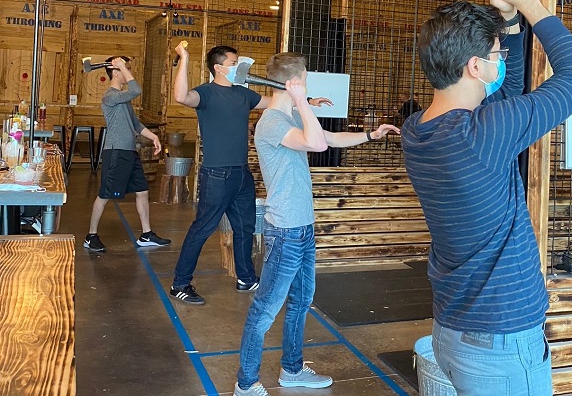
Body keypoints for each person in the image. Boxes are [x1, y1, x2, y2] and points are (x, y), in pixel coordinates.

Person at [401, 0, 572, 395]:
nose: (501, 62)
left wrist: (508, 21)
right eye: (496, 56)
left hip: (454, 330)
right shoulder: (484, 132)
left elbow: (506, 95)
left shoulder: (417, 131)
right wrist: (528, 2)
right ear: (475, 66)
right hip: (500, 340)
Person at [234, 52, 399, 396]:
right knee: (265, 309)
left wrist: (371, 135)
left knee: (301, 299)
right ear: (294, 81)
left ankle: (292, 370)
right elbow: (318, 143)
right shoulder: (272, 123)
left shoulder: (292, 116)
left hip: (303, 228)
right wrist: (301, 101)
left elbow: (331, 138)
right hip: (286, 231)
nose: (308, 82)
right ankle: (246, 383)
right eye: (305, 77)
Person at [169, 44, 331, 305]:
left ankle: (246, 278)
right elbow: (180, 97)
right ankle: (180, 283)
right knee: (202, 229)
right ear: (218, 68)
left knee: (244, 227)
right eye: (233, 63)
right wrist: (185, 58)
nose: (238, 66)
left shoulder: (243, 94)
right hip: (216, 175)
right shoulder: (206, 94)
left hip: (241, 174)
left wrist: (308, 101)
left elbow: (275, 100)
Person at [84, 56, 171, 253]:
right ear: (115, 72)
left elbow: (135, 124)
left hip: (130, 152)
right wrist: (122, 65)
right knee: (105, 195)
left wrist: (154, 137)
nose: (127, 72)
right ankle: (91, 236)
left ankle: (146, 234)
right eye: (124, 69)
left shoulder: (123, 98)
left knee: (142, 190)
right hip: (115, 152)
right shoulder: (110, 97)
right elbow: (136, 90)